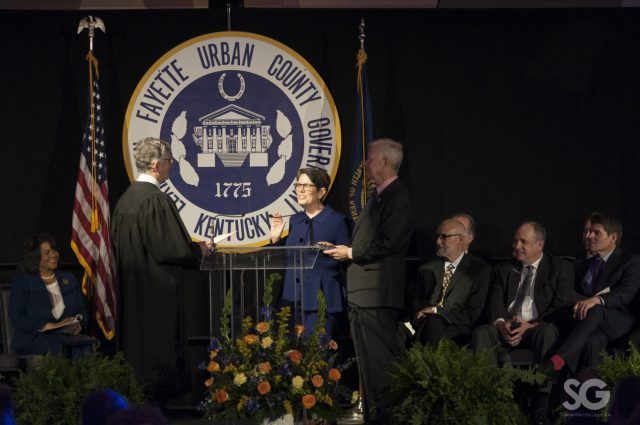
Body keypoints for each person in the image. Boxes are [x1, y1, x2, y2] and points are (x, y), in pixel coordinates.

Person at [325, 138, 412, 424]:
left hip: (376, 295)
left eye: (371, 158)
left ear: (385, 162)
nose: (365, 163)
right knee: (369, 369)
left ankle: (388, 419)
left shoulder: (397, 197)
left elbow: (389, 242)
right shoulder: (379, 196)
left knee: (381, 366)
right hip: (363, 294)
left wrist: (350, 252)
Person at [111, 137, 203, 394]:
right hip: (157, 292)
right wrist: (199, 249)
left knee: (136, 344)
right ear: (155, 165)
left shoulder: (125, 201)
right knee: (158, 350)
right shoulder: (154, 200)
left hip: (131, 289)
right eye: (168, 161)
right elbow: (171, 248)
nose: (171, 165)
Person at [541, 213, 640, 375]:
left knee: (596, 309)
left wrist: (597, 300)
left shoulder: (630, 261)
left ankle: (559, 359)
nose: (589, 236)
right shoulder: (583, 265)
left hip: (620, 321)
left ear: (613, 237)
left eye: (596, 233)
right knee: (594, 341)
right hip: (589, 324)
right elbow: (571, 296)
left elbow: (625, 293)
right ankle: (588, 389)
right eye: (587, 232)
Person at [472, 222, 574, 366]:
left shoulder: (560, 268)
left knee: (547, 332)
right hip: (507, 327)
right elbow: (495, 303)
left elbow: (561, 306)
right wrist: (502, 324)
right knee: (482, 332)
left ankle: (544, 386)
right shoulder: (504, 269)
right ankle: (485, 386)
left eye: (523, 242)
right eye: (515, 240)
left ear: (539, 244)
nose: (516, 246)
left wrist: (530, 326)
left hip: (537, 327)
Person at [269, 167, 350, 339]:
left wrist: (331, 250)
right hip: (291, 302)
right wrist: (276, 239)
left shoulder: (337, 221)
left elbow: (346, 261)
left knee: (318, 358)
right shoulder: (295, 221)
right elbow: (288, 259)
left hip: (321, 302)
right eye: (298, 185)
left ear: (321, 192)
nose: (300, 190)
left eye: (306, 185)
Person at [410, 218, 491, 346]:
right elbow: (415, 303)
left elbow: (472, 314)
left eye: (444, 237)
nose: (438, 242)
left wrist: (437, 311)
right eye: (437, 236)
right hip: (423, 323)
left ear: (461, 239)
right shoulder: (427, 268)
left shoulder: (479, 270)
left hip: (456, 326)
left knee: (433, 322)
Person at [9, 233, 90, 357]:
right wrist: (50, 326)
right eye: (47, 252)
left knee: (86, 346)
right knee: (61, 348)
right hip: (34, 337)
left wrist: (78, 325)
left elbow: (82, 313)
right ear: (35, 257)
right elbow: (17, 318)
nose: (53, 255)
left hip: (67, 337)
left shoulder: (69, 279)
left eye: (54, 250)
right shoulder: (23, 282)